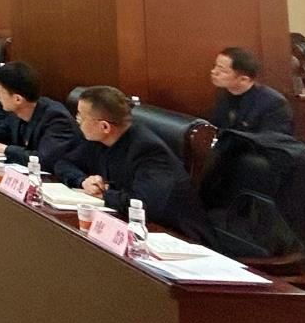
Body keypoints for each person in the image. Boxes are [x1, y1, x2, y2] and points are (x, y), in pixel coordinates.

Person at [70, 85, 205, 235]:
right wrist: (83, 181)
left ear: (105, 126)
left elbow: (143, 205)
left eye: (81, 117)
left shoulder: (148, 150)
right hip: (131, 224)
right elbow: (64, 163)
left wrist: (103, 193)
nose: (77, 120)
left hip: (177, 234)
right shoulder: (98, 139)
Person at [0, 62, 85, 182]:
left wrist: (5, 149)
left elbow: (43, 160)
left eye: (0, 90)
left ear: (18, 99)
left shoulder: (57, 119)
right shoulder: (16, 112)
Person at [208, 47, 294, 136]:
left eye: (222, 70)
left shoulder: (273, 103)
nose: (213, 72)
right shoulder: (222, 94)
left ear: (243, 79)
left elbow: (274, 139)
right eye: (215, 66)